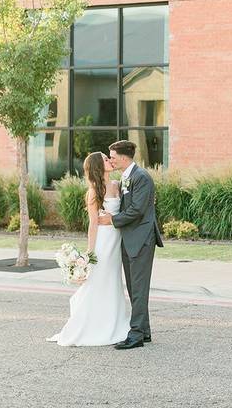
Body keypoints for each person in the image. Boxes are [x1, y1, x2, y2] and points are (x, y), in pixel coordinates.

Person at [47, 152, 131, 346]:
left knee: (113, 280)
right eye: (105, 159)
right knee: (99, 280)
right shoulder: (94, 192)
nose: (109, 160)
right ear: (97, 166)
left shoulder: (117, 185)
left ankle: (114, 321)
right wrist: (89, 254)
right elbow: (93, 224)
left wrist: (113, 219)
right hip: (103, 242)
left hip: (116, 241)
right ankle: (91, 325)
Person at [98, 139, 164, 350]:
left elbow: (137, 210)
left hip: (141, 240)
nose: (112, 160)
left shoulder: (141, 177)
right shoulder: (127, 177)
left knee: (139, 288)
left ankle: (135, 335)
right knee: (135, 287)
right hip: (129, 238)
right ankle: (143, 331)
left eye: (113, 157)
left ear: (124, 157)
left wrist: (112, 220)